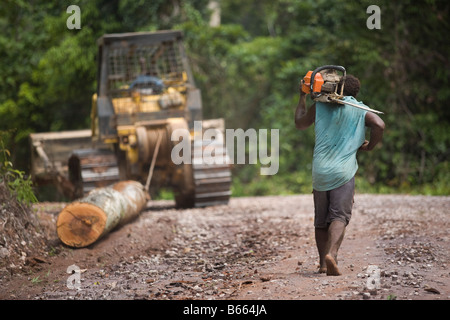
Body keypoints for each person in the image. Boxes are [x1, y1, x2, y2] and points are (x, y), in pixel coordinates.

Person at [294, 74, 385, 276]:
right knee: (339, 216)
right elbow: (379, 124)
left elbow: (300, 123)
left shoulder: (319, 107)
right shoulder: (360, 109)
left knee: (320, 220)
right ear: (354, 92)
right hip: (343, 173)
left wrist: (302, 96)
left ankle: (323, 263)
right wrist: (370, 146)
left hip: (320, 171)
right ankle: (332, 254)